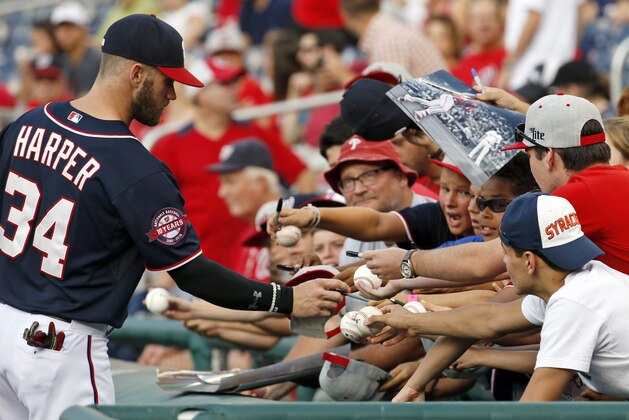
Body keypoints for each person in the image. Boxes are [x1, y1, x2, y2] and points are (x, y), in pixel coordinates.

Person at [0, 15, 349, 419]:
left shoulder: (27, 123)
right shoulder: (134, 166)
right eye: (168, 81)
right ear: (136, 74)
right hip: (59, 347)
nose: (173, 95)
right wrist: (287, 299)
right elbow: (192, 273)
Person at [366, 192, 629, 401]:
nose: (503, 263)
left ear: (528, 261)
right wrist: (414, 383)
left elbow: (534, 406)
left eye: (505, 254)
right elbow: (485, 320)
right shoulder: (571, 283)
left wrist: (411, 321)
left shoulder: (573, 302)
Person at [364, 94, 629, 281]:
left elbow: (482, 263)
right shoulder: (617, 179)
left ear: (548, 156)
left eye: (528, 153)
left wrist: (407, 263)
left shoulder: (572, 197)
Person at [50, 1, 101, 96]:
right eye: (59, 29)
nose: (62, 35)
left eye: (69, 28)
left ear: (84, 29)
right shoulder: (62, 60)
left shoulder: (96, 59)